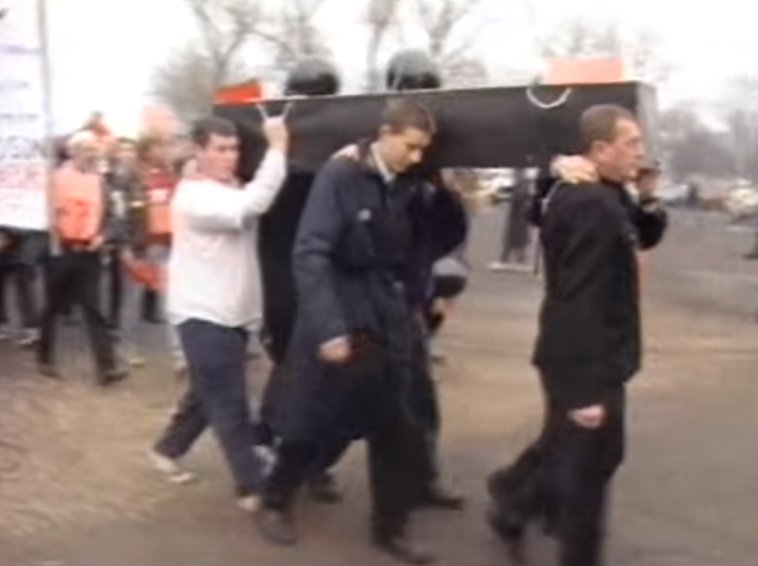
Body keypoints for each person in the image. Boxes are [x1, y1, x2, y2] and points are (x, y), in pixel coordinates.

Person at [256, 99, 447, 566]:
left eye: (424, 150)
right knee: (311, 418)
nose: (416, 157)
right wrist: (328, 328)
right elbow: (311, 251)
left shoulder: (403, 182)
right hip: (340, 310)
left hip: (382, 309)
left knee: (396, 423)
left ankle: (391, 528)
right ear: (384, 133)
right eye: (410, 146)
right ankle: (275, 500)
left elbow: (432, 237)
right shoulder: (340, 176)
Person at [487, 105, 667, 566]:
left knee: (580, 452)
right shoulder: (590, 202)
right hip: (586, 359)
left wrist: (647, 196)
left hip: (595, 354)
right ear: (599, 149)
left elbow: (641, 234)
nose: (640, 152)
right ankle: (552, 532)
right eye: (631, 143)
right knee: (589, 471)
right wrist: (585, 389)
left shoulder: (609, 194)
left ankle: (514, 501)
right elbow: (579, 298)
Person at [149, 115, 289, 512]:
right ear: (200, 151)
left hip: (228, 315)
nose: (230, 157)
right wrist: (277, 147)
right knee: (229, 404)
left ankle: (166, 449)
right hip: (203, 316)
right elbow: (252, 204)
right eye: (220, 149)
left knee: (205, 394)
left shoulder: (224, 186)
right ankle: (253, 486)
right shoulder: (195, 197)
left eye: (234, 149)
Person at [37, 131, 127, 385]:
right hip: (60, 251)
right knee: (53, 306)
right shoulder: (54, 179)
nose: (92, 153)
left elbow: (113, 217)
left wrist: (104, 235)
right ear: (73, 151)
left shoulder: (102, 182)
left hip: (89, 253)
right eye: (86, 148)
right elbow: (41, 213)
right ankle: (45, 357)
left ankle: (106, 368)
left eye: (94, 149)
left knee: (94, 309)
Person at [489, 171, 532, 271]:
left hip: (519, 216)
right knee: (515, 240)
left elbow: (518, 197)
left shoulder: (522, 182)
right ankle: (511, 259)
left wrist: (504, 198)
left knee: (515, 239)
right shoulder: (522, 182)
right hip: (519, 215)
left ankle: (510, 260)